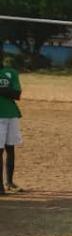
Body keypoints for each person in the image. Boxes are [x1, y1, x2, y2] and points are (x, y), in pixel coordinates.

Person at [0, 51, 23, 194]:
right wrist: (6, 90)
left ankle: (9, 181)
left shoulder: (11, 72)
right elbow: (11, 92)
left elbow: (17, 94)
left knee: (10, 149)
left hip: (12, 114)